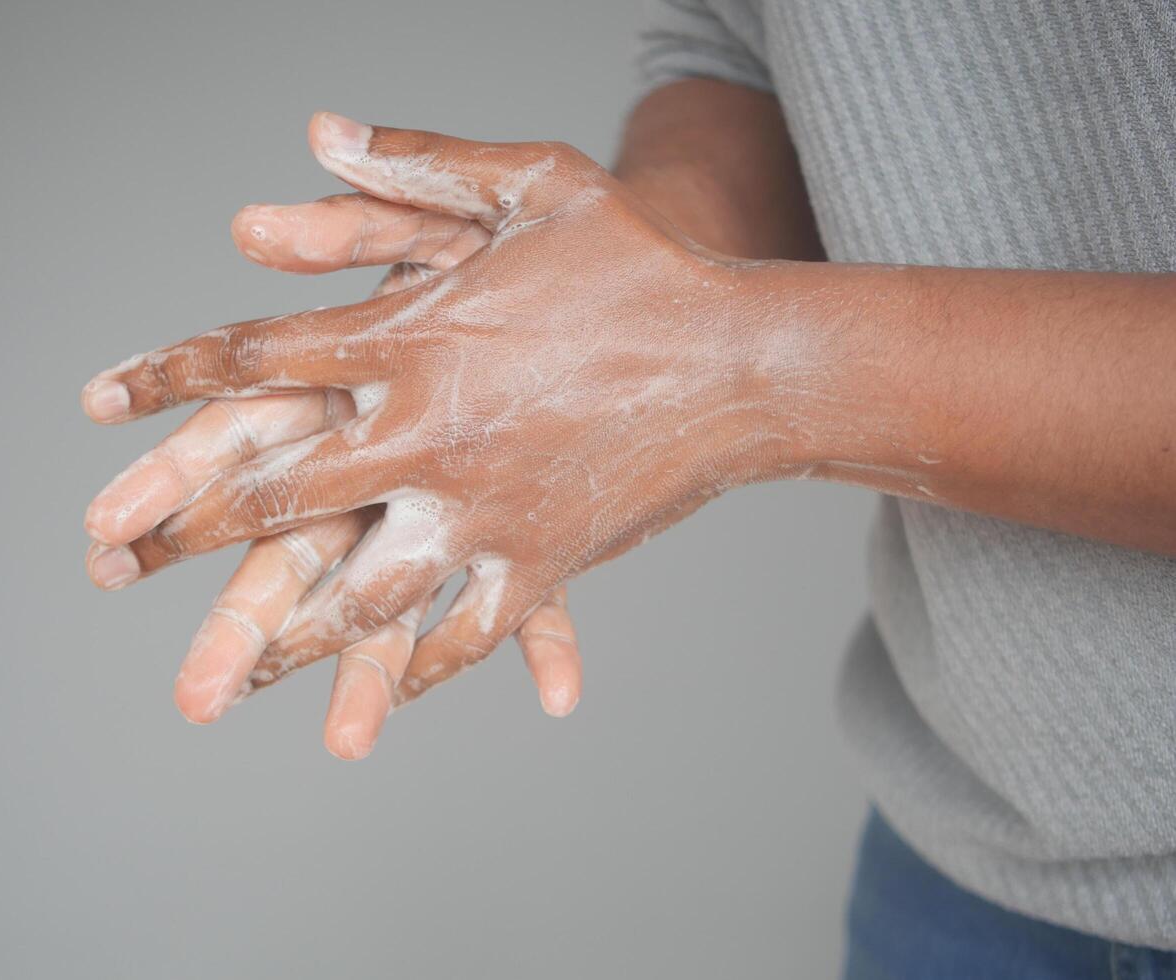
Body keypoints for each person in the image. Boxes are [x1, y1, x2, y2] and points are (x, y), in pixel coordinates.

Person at [80, 0, 1176, 972]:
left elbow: (723, 351)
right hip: (966, 860)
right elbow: (747, 48)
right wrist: (595, 302)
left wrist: (736, 367)